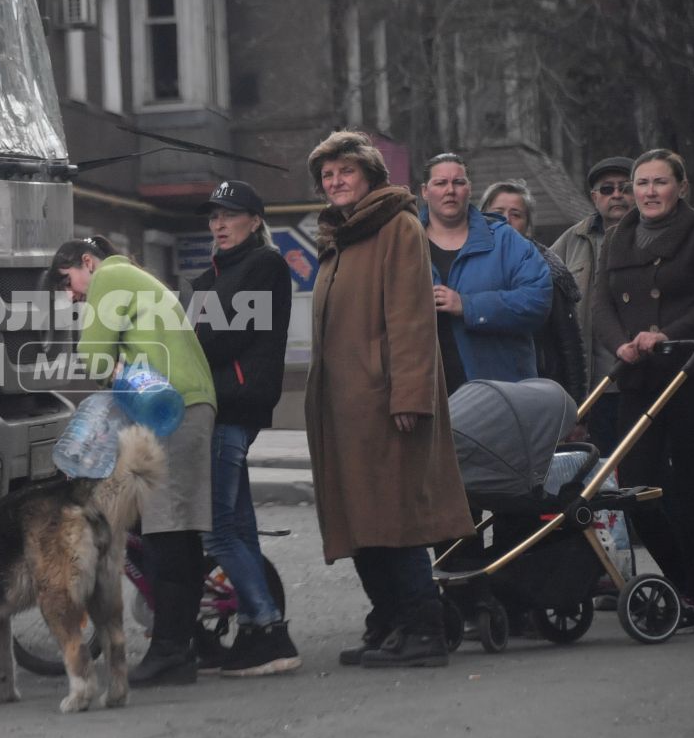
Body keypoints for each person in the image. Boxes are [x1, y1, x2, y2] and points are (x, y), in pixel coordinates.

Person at [304, 132, 471, 668]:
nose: (335, 183)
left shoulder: (397, 227)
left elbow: (411, 319)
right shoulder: (341, 237)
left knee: (394, 520)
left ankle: (423, 628)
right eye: (328, 176)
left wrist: (409, 394)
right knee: (362, 521)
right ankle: (392, 620)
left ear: (370, 175)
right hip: (345, 410)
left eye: (345, 172)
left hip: (383, 404)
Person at [52, 235, 225, 686]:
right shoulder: (137, 277)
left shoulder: (110, 277)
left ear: (87, 261)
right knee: (176, 533)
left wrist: (105, 366)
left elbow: (91, 357)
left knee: (167, 534)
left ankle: (171, 651)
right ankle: (182, 643)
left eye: (67, 280)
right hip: (183, 403)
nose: (71, 294)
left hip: (171, 408)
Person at [591, 148, 694, 632]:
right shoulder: (616, 239)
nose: (648, 192)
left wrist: (665, 334)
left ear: (681, 187)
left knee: (685, 481)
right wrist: (621, 344)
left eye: (660, 183)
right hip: (637, 374)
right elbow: (601, 307)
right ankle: (678, 581)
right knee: (635, 485)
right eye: (641, 183)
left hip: (688, 372)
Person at [188, 180, 300, 676]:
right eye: (213, 216)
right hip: (217, 407)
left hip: (233, 407)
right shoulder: (212, 275)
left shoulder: (264, 265)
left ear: (255, 220)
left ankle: (266, 626)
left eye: (230, 215)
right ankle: (263, 633)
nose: (219, 224)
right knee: (240, 528)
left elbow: (218, 339)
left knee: (218, 533)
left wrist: (187, 337)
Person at [417, 154, 551, 393]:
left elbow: (537, 300)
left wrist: (468, 306)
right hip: (425, 396)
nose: (450, 190)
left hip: (499, 395)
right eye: (441, 183)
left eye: (458, 182)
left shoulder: (505, 240)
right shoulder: (405, 244)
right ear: (425, 191)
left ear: (469, 189)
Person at [551, 156, 636, 442]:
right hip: (594, 388)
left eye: (625, 187)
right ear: (594, 197)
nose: (617, 195)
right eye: (607, 189)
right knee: (599, 476)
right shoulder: (569, 242)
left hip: (647, 383)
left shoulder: (656, 234)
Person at [481, 181, 587, 399]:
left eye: (516, 214)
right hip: (482, 388)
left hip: (539, 387)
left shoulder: (549, 268)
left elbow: (569, 342)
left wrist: (577, 405)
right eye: (498, 212)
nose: (505, 220)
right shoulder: (466, 264)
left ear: (528, 224)